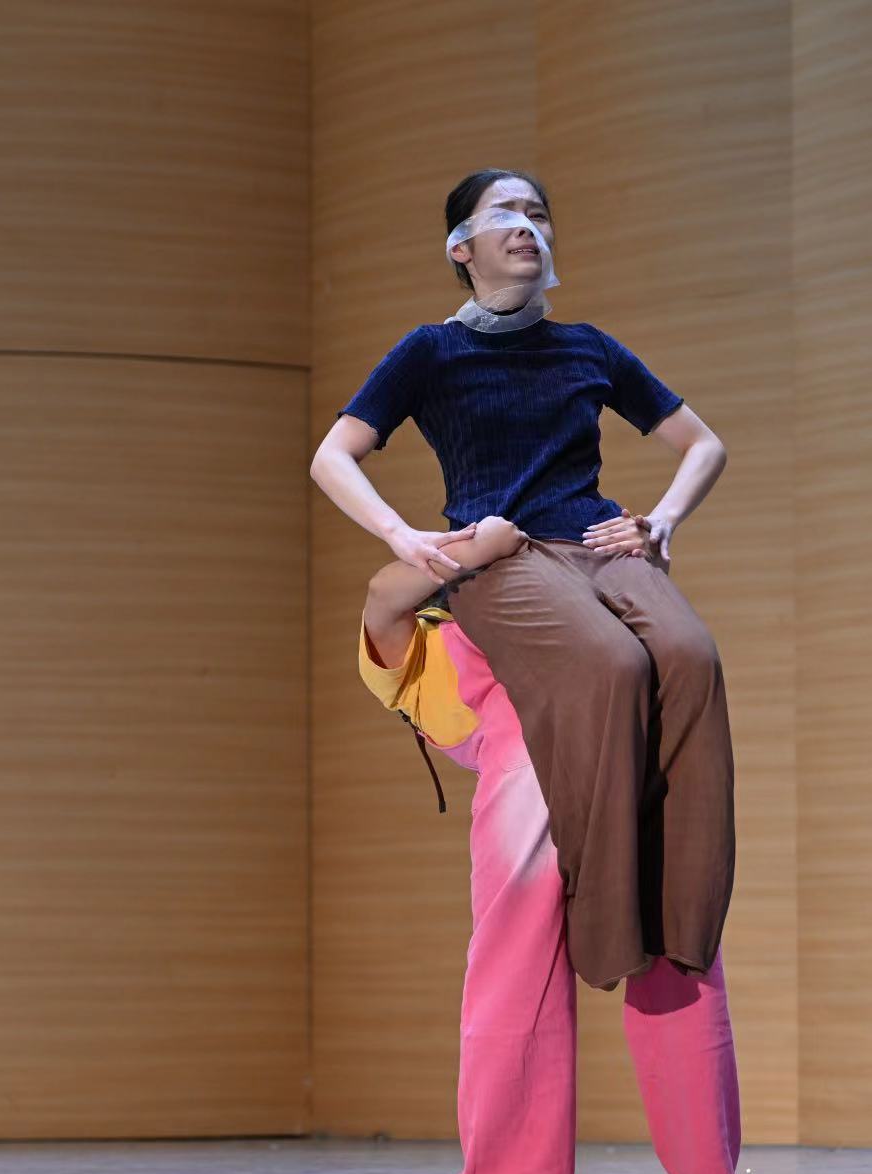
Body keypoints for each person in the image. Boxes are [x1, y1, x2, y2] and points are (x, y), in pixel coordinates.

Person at [309, 166, 736, 995]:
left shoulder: (588, 346)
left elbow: (704, 444)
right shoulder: (431, 350)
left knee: (690, 655)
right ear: (460, 248)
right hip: (503, 552)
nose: (526, 226)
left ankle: (684, 922)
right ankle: (607, 922)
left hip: (599, 537)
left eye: (538, 213)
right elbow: (333, 455)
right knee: (611, 664)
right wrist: (407, 537)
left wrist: (661, 522)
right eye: (504, 212)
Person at [357, 516, 742, 1174]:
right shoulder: (457, 628)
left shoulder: (432, 647)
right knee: (677, 942)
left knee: (516, 962)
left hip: (533, 770)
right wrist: (492, 543)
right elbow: (387, 592)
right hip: (639, 748)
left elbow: (384, 594)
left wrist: (482, 545)